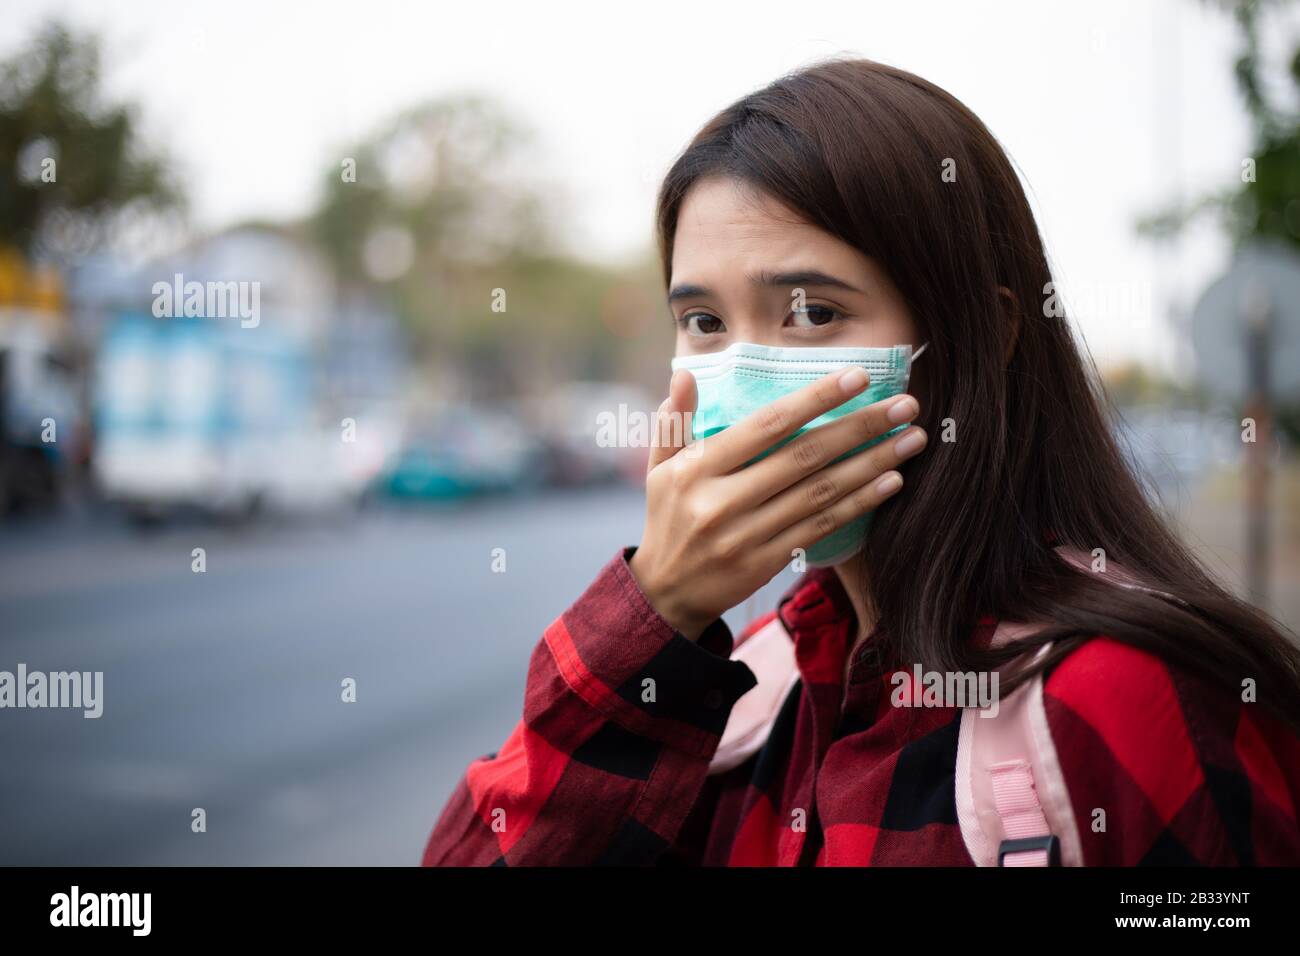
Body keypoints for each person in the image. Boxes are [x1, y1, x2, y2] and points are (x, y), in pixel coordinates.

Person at [421, 58, 1300, 866]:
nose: (750, 374)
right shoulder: (748, 695)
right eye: (705, 323)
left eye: (811, 313)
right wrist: (657, 613)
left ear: (982, 336)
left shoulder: (1124, 698)